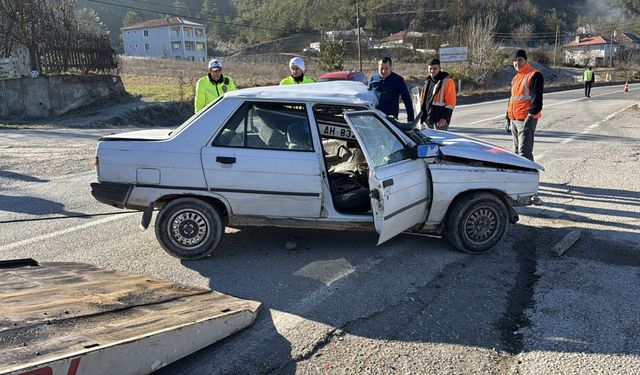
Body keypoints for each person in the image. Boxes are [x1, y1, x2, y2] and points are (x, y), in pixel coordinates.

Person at [505, 49, 543, 162]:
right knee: (516, 152)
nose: (517, 63)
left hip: (526, 119)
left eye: (520, 60)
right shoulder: (516, 78)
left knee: (524, 152)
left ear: (526, 60)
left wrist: (531, 116)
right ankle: (519, 177)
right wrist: (507, 117)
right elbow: (512, 99)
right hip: (514, 119)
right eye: (514, 60)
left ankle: (530, 177)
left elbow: (537, 98)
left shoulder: (534, 75)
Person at [367, 57, 415, 121]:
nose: (383, 71)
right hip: (375, 117)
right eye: (381, 68)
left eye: (386, 68)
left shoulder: (398, 80)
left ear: (390, 67)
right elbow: (366, 98)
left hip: (391, 119)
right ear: (378, 67)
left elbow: (407, 100)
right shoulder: (373, 79)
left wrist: (410, 120)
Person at [419, 58, 456, 130]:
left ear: (439, 68)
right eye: (430, 68)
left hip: (439, 120)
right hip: (426, 119)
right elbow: (422, 100)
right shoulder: (427, 81)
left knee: (440, 141)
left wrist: (444, 118)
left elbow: (450, 103)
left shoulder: (447, 81)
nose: (432, 71)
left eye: (435, 68)